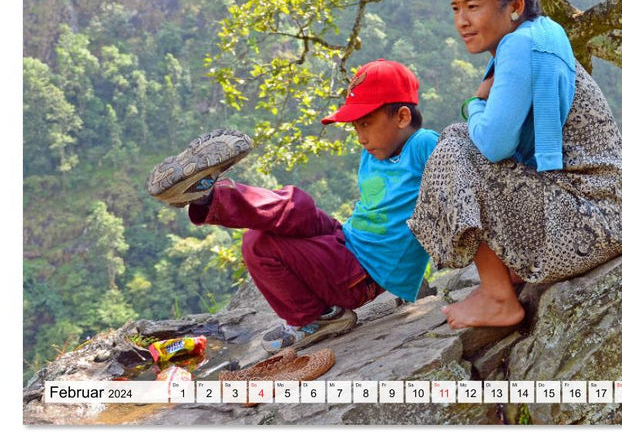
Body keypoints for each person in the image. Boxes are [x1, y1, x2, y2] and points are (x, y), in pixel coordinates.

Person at [408, 0, 622, 330]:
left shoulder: (520, 47)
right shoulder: (543, 33)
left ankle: (499, 297)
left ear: (515, 7)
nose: (462, 21)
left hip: (594, 221)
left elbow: (494, 145)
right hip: (615, 212)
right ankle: (510, 272)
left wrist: (474, 104)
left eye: (473, 7)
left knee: (455, 145)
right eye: (456, 8)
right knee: (463, 140)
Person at [146, 59, 438, 352]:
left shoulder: (424, 143)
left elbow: (457, 174)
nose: (360, 138)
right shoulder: (375, 153)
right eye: (354, 128)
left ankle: (314, 319)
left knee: (257, 244)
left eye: (366, 124)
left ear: (401, 117)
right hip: (346, 241)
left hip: (364, 273)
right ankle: (207, 196)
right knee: (298, 207)